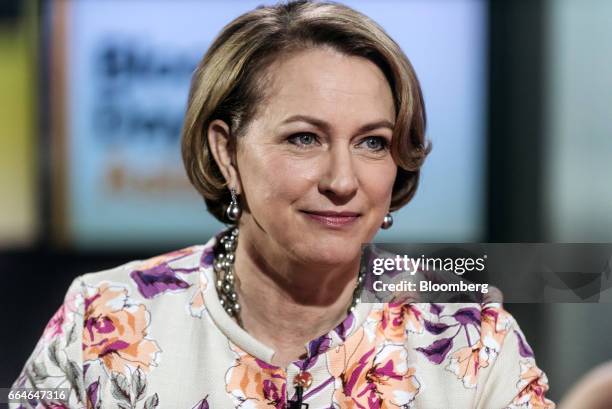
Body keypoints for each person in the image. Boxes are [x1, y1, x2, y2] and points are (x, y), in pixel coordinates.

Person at [12, 1, 555, 408]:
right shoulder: (105, 318)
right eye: (303, 139)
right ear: (226, 152)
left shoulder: (471, 334)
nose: (343, 180)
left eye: (373, 143)